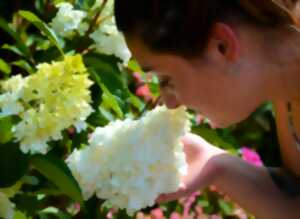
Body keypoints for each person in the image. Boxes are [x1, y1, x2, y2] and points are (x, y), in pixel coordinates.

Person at [114, 1, 300, 218]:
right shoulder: (284, 86)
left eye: (166, 79)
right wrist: (215, 164)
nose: (169, 103)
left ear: (222, 46)